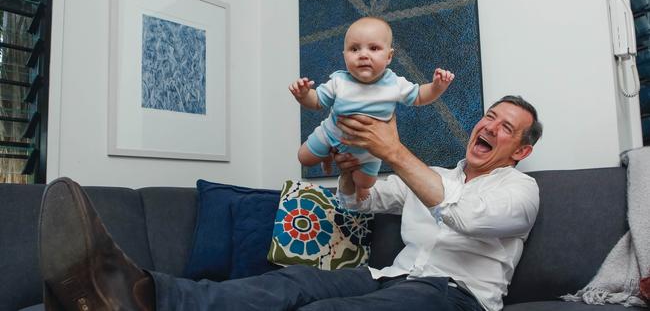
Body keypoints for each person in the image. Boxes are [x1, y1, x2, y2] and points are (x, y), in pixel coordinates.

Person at [39, 95, 542, 311]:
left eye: (506, 128)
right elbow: (363, 203)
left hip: (456, 297)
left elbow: (465, 217)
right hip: (393, 274)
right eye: (489, 116)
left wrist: (393, 151)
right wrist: (349, 173)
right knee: (290, 282)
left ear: (520, 150)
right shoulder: (429, 175)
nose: (489, 127)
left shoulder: (520, 191)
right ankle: (141, 293)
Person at [289, 16, 454, 201]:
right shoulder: (339, 81)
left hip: (367, 151)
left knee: (365, 182)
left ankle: (356, 186)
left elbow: (419, 97)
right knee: (304, 158)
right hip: (331, 134)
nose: (363, 55)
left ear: (389, 56)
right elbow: (317, 101)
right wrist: (304, 95)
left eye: (374, 48)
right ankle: (327, 154)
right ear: (344, 56)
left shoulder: (394, 83)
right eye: (354, 49)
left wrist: (436, 87)